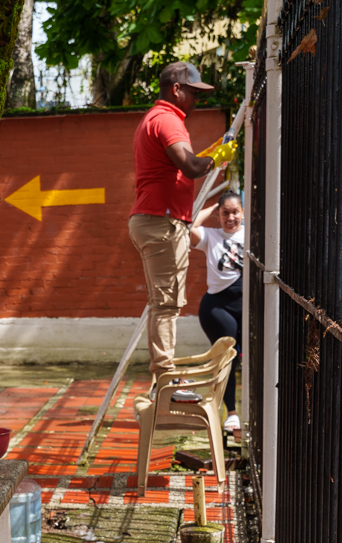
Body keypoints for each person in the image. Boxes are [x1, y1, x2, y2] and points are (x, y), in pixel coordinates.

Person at [129, 62, 231, 379]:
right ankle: (166, 377)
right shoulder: (168, 120)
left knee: (164, 302)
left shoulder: (155, 118)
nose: (197, 100)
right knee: (166, 305)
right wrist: (218, 155)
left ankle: (165, 375)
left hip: (156, 220)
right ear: (176, 89)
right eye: (193, 92)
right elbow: (190, 166)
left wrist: (213, 152)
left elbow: (183, 164)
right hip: (162, 223)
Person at [189, 190, 244, 434]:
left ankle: (254, 410)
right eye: (225, 212)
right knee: (226, 359)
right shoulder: (210, 236)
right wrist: (213, 206)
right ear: (218, 215)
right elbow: (187, 224)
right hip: (218, 308)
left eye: (235, 212)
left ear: (243, 212)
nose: (230, 217)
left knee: (252, 359)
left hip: (248, 305)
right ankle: (231, 413)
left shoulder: (254, 234)